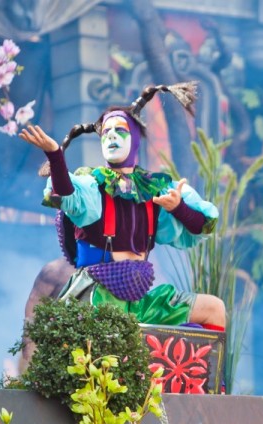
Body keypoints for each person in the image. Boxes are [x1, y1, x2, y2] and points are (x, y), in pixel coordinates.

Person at [17, 82, 226, 342]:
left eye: (120, 131)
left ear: (135, 139)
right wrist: (55, 156)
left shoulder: (156, 188)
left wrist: (178, 208)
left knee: (214, 308)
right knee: (115, 344)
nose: (111, 137)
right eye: (106, 133)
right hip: (96, 298)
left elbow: (202, 226)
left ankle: (202, 370)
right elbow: (67, 194)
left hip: (138, 299)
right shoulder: (92, 185)